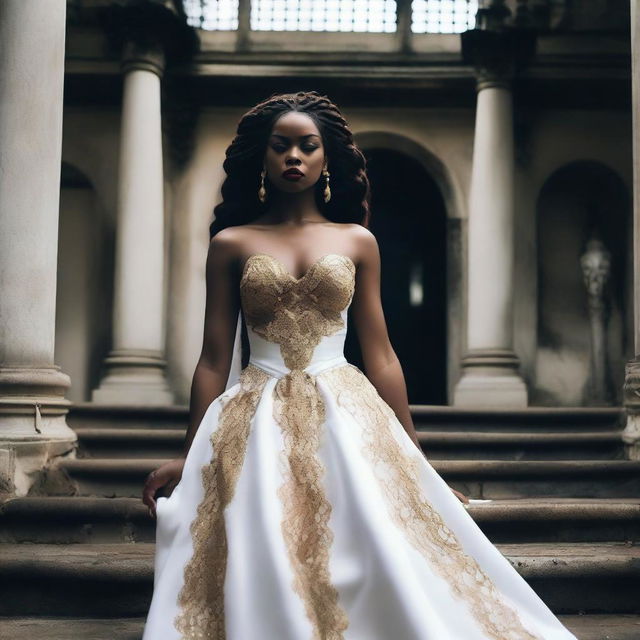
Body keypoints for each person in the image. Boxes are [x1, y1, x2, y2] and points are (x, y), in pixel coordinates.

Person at [141, 90, 577, 639]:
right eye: (281, 147)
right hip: (253, 409)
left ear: (326, 160)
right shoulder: (231, 243)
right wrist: (189, 453)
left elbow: (381, 352)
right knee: (262, 533)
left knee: (369, 534)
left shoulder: (358, 241)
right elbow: (212, 358)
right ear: (264, 157)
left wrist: (415, 457)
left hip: (344, 401)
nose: (293, 158)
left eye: (307, 147)